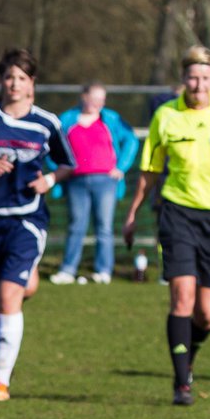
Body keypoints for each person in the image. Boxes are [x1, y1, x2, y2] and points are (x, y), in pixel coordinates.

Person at [122, 46, 210, 406]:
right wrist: (133, 212)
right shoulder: (166, 116)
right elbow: (150, 169)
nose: (198, 85)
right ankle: (181, 381)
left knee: (207, 313)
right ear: (183, 78)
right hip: (177, 213)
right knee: (182, 296)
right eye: (192, 77)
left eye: (205, 78)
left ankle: (189, 356)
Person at [0, 47, 75, 401]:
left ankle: (0, 381)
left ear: (31, 83)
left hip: (28, 219)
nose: (14, 83)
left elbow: (67, 164)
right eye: (9, 77)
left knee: (9, 299)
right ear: (1, 81)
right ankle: (23, 291)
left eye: (22, 78)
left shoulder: (46, 122)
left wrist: (50, 181)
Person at [49, 83, 140, 285]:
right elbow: (51, 145)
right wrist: (59, 170)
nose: (97, 103)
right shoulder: (67, 119)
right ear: (83, 96)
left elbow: (131, 140)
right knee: (76, 226)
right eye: (93, 98)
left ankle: (103, 270)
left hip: (105, 181)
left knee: (104, 227)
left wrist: (121, 167)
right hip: (75, 181)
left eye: (101, 99)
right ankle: (68, 269)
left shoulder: (111, 119)